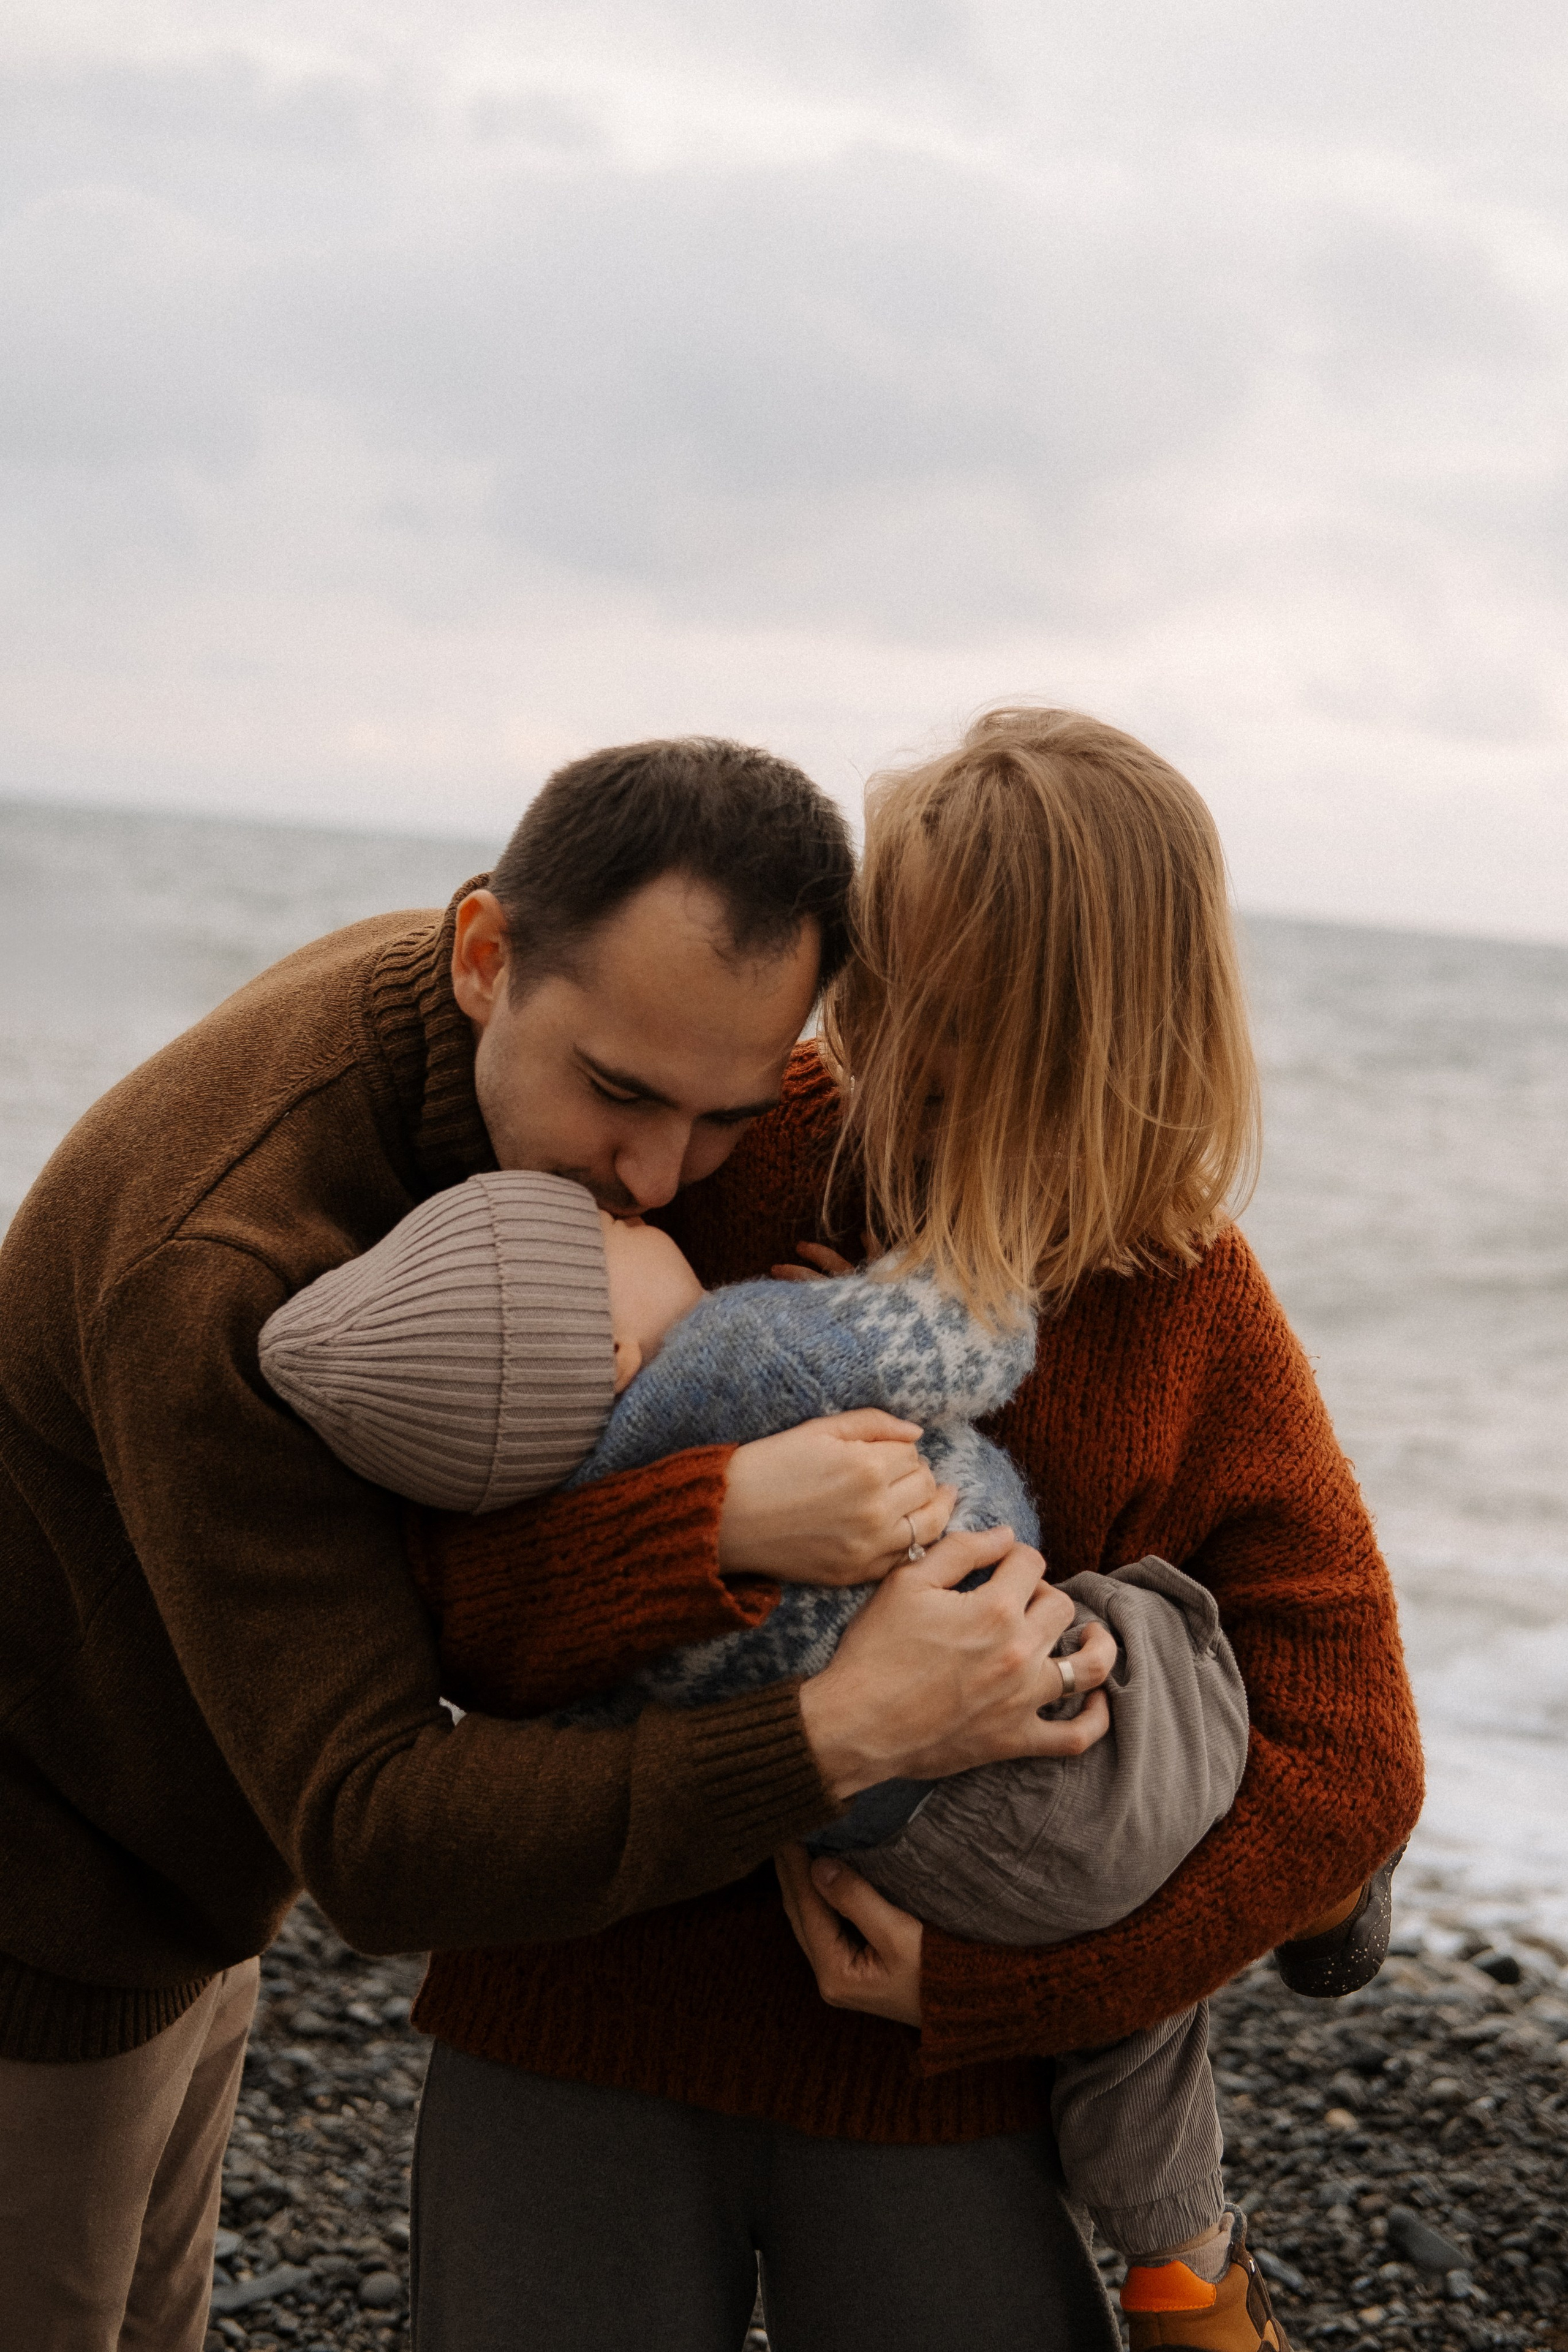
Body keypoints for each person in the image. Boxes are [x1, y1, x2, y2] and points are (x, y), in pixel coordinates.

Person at [0, 739, 1090, 2351]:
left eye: (725, 1116)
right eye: (621, 1094)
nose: (655, 1179)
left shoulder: (523, 1034)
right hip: (42, 1913)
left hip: (202, 1868)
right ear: (483, 953)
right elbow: (376, 1831)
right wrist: (851, 1725)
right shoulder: (225, 1264)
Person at [402, 708, 1424, 2352]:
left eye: (927, 994)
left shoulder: (1184, 1298)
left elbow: (1356, 1763)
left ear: (1096, 1026)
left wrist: (1008, 1995)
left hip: (932, 2090)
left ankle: (1189, 2256)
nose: (865, 1022)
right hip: (579, 1991)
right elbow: (448, 1607)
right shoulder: (713, 1149)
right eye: (876, 970)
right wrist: (721, 1529)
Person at [261, 1172, 1267, 2299]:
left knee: (1131, 2008)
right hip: (1064, 1744)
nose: (638, 1209)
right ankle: (1306, 1970)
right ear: (611, 1356)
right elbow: (984, 1338)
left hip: (907, 1866)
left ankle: (1174, 2245)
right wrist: (881, 1300)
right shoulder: (742, 1350)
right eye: (609, 1232)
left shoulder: (570, 1514)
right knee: (1164, 1624)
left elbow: (574, 1724)